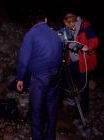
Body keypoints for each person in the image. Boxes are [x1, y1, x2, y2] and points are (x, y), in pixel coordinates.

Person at [16, 11, 63, 140]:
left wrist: (20, 78)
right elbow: (60, 57)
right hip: (55, 77)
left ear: (33, 22)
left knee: (36, 110)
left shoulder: (31, 34)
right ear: (46, 20)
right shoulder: (55, 34)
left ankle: (36, 137)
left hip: (40, 78)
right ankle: (50, 137)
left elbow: (23, 59)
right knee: (51, 109)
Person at [62, 12, 99, 114]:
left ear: (72, 21)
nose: (67, 27)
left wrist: (88, 47)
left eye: (68, 24)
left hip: (83, 61)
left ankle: (84, 109)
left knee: (84, 86)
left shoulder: (85, 26)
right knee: (66, 78)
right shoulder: (69, 29)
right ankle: (71, 98)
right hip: (73, 61)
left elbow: (95, 41)